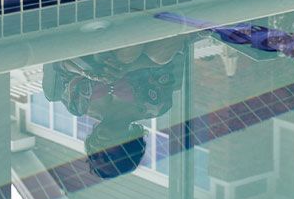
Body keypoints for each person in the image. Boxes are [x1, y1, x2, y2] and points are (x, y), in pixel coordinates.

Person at [42, 36, 187, 180]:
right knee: (131, 56)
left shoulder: (77, 105)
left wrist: (84, 72)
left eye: (94, 155)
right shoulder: (154, 106)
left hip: (87, 40)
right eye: (108, 157)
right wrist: (128, 68)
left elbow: (59, 63)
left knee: (125, 54)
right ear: (128, 151)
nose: (99, 150)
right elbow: (165, 61)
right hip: (142, 38)